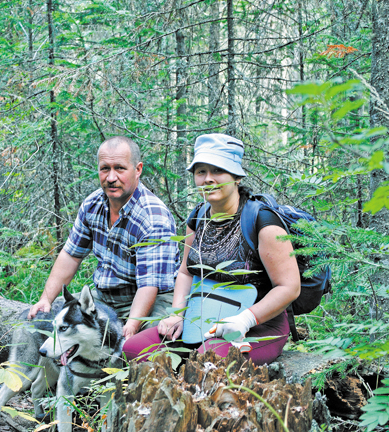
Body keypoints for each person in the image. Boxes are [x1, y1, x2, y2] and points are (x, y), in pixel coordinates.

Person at [123, 134, 301, 365]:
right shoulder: (198, 217)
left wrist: (245, 320)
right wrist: (177, 314)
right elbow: (187, 272)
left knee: (211, 359)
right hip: (201, 320)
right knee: (135, 348)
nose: (208, 179)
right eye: (201, 172)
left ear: (236, 176)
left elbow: (289, 287)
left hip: (259, 325)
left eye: (218, 171)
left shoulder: (261, 221)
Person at [27, 136, 180, 340]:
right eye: (105, 168)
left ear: (138, 169)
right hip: (106, 297)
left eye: (120, 168)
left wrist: (131, 326)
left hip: (153, 299)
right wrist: (45, 299)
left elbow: (149, 286)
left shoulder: (152, 217)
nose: (111, 177)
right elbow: (71, 256)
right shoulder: (93, 205)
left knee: (135, 350)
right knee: (62, 331)